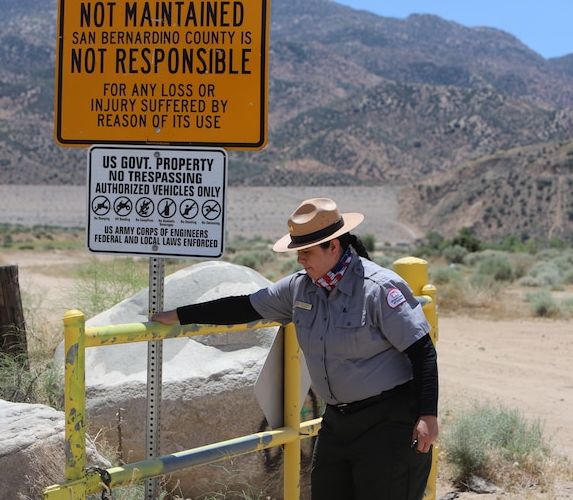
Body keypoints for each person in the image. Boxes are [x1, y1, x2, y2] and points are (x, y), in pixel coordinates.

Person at [151, 197, 438, 500]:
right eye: (298, 251)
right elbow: (245, 307)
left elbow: (422, 351)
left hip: (388, 424)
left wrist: (427, 415)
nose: (300, 259)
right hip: (337, 426)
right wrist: (181, 315)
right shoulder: (299, 287)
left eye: (307, 251)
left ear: (334, 246)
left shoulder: (378, 288)